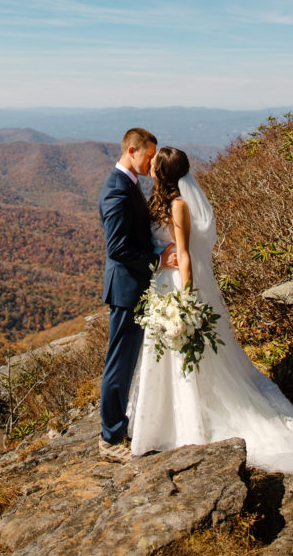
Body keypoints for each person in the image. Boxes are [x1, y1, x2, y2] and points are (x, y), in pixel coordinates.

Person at [127, 146, 293, 474]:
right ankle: (163, 421)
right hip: (161, 283)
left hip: (177, 286)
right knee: (162, 353)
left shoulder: (178, 206)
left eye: (156, 164)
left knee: (190, 354)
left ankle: (192, 421)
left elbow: (185, 255)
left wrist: (186, 301)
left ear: (164, 173)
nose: (151, 166)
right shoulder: (158, 203)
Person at [98, 127, 178, 463]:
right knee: (119, 362)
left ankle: (120, 426)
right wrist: (158, 260)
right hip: (126, 289)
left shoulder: (129, 184)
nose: (150, 164)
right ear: (132, 151)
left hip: (136, 286)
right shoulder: (116, 191)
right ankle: (109, 437)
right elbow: (117, 249)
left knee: (128, 359)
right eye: (147, 156)